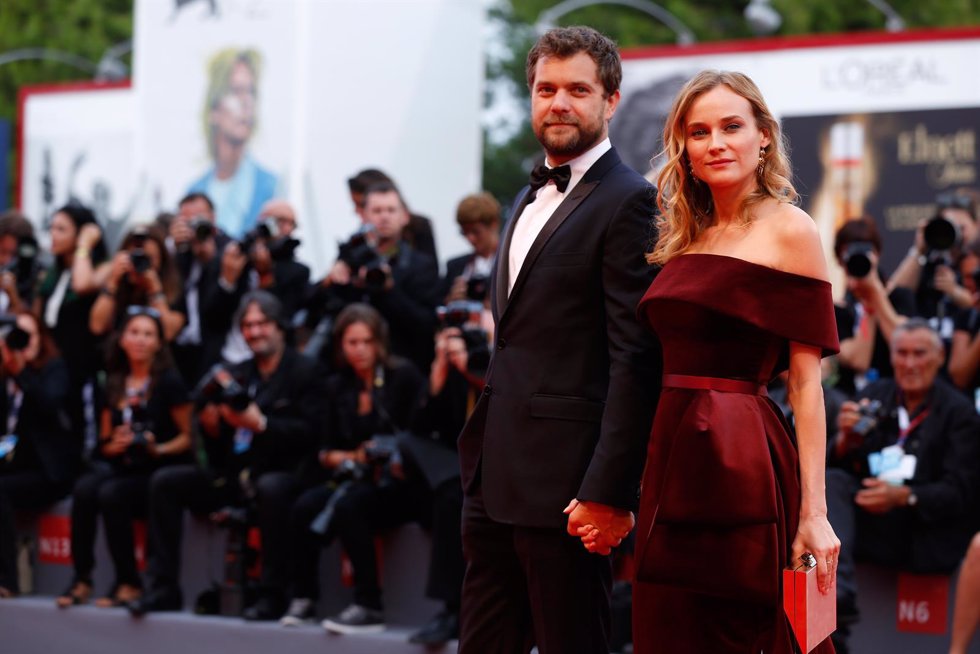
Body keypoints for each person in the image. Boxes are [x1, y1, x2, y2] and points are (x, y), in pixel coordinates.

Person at [456, 26, 660, 654]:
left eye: (578, 89)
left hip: (570, 489)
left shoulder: (632, 202)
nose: (559, 103)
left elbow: (637, 358)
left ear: (611, 100)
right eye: (546, 89)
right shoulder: (522, 197)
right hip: (493, 478)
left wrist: (608, 490)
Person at [630, 70, 840, 653]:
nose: (715, 142)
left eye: (731, 126)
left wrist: (814, 512)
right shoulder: (681, 238)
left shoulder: (790, 228)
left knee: (741, 630)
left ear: (763, 137)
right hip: (670, 452)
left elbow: (805, 385)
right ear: (685, 149)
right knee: (671, 626)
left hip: (740, 456)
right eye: (699, 132)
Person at [130, 291, 324, 619]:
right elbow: (225, 447)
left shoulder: (305, 370)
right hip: (236, 475)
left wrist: (262, 424)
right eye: (247, 326)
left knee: (272, 488)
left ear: (279, 327)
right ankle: (163, 588)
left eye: (262, 324)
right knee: (166, 481)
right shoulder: (238, 373)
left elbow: (312, 434)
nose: (254, 332)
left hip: (288, 475)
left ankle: (273, 593)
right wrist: (213, 428)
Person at [827, 319, 980, 653]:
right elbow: (837, 466)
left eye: (919, 354)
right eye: (902, 354)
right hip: (873, 525)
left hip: (924, 534)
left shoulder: (960, 413)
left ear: (939, 357)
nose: (910, 364)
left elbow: (961, 494)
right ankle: (836, 597)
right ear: (891, 356)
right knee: (832, 481)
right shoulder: (873, 396)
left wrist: (906, 497)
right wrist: (844, 441)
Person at [282, 304, 424, 632]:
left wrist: (386, 453)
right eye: (351, 342)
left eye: (366, 341)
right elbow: (324, 452)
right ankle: (303, 597)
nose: (359, 350)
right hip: (353, 476)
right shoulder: (336, 386)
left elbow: (420, 435)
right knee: (304, 506)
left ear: (380, 342)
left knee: (350, 506)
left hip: (397, 484)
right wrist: (356, 456)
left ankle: (368, 604)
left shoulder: (403, 376)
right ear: (341, 346)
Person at [57, 307, 192, 608]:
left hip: (158, 469)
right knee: (84, 489)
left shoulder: (169, 382)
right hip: (123, 465)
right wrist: (114, 445)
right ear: (122, 339)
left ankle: (129, 581)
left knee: (111, 493)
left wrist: (159, 447)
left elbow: (188, 437)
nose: (140, 340)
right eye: (134, 332)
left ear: (159, 342)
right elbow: (104, 442)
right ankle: (81, 578)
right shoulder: (115, 382)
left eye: (148, 334)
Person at [0, 312, 75, 597]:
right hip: (13, 467)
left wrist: (21, 373)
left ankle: (7, 580)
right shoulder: (4, 379)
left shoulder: (53, 369)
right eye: (13, 337)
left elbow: (50, 408)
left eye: (27, 336)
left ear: (41, 338)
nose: (21, 343)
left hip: (49, 473)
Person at [33, 204, 111, 457]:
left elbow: (82, 284)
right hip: (52, 370)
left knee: (81, 440)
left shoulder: (102, 268)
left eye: (61, 229)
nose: (53, 235)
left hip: (83, 371)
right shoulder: (51, 272)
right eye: (52, 228)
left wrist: (85, 245)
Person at [187, 49, 278, 239]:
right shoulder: (195, 191)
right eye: (236, 92)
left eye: (251, 92)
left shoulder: (270, 185)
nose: (246, 102)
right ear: (214, 110)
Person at [832, 216, 916, 397]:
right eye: (849, 254)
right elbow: (858, 360)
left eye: (864, 251)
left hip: (898, 394)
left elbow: (906, 341)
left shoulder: (901, 297)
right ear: (839, 260)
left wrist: (876, 293)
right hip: (853, 398)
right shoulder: (836, 310)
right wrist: (868, 307)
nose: (857, 259)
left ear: (877, 254)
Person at [89, 225, 186, 341]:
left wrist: (155, 292)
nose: (139, 264)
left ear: (162, 261)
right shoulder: (116, 285)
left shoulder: (174, 289)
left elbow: (168, 333)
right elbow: (97, 326)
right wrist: (113, 281)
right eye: (134, 257)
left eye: (148, 259)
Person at [347, 169, 438, 262]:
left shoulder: (420, 227)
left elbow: (430, 270)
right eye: (377, 211)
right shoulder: (359, 238)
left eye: (360, 204)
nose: (356, 210)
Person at [442, 192, 500, 305]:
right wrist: (452, 301)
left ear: (494, 224)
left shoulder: (512, 262)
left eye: (476, 231)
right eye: (465, 232)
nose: (470, 239)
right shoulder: (455, 266)